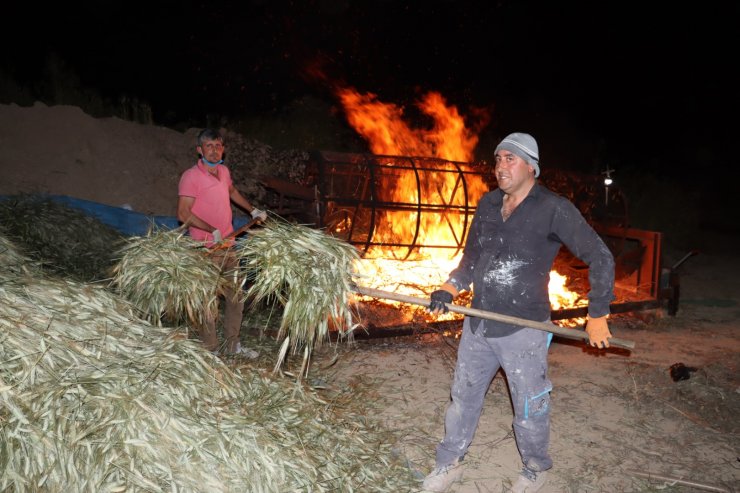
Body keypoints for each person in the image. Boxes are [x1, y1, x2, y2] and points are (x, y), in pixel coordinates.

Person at [422, 132, 615, 492]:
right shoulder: (488, 204)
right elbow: (471, 259)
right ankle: (449, 463)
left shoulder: (553, 208)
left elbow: (600, 255)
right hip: (478, 323)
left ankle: (536, 468)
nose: (500, 166)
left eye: (510, 159)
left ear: (531, 166)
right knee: (462, 399)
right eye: (497, 159)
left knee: (529, 407)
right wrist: (450, 286)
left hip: (524, 328)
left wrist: (598, 312)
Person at [177, 128, 267, 358]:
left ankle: (233, 345)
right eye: (209, 146)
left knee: (236, 298)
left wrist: (252, 209)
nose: (215, 150)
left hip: (229, 246)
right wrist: (210, 230)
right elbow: (183, 213)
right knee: (208, 301)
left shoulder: (224, 171)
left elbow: (232, 191)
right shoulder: (191, 177)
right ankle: (210, 349)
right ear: (199, 150)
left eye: (218, 146)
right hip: (205, 249)